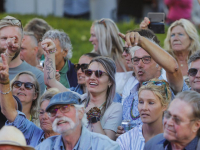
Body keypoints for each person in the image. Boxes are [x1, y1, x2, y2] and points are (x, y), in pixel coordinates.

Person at [116, 29, 189, 137]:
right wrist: (122, 135)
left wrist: (141, 40)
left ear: (159, 64)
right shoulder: (129, 99)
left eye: (146, 59)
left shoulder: (169, 88)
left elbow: (173, 68)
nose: (139, 64)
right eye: (135, 60)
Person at [36, 91, 120, 150]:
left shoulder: (105, 147)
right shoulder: (44, 147)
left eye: (65, 108)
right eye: (53, 111)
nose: (58, 114)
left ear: (80, 112)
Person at [117, 78, 171, 150]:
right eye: (141, 102)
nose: (144, 108)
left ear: (165, 106)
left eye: (151, 103)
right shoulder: (126, 140)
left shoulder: (174, 140)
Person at [0, 15, 45, 95]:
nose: (9, 43)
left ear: (22, 41)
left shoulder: (37, 76)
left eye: (13, 39)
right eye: (4, 38)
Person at [89, 18, 132, 95]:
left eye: (93, 35)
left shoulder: (128, 60)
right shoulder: (91, 60)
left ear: (104, 37)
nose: (90, 39)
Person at [84, 56, 122, 140]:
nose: (92, 77)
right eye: (89, 73)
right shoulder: (78, 100)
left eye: (98, 74)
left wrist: (93, 116)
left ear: (110, 81)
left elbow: (106, 145)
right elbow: (51, 82)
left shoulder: (115, 108)